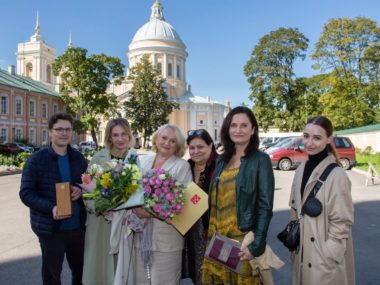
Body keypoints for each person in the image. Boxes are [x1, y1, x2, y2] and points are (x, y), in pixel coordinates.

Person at [201, 106, 275, 285]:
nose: (238, 130)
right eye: (233, 125)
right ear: (227, 129)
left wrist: (256, 246)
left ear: (253, 129)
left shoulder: (260, 160)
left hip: (242, 244)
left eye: (244, 125)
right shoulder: (221, 160)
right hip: (217, 242)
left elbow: (265, 206)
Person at [20, 112, 87, 285]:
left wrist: (80, 191)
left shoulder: (78, 158)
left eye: (68, 129)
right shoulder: (36, 160)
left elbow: (86, 185)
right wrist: (51, 207)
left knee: (81, 274)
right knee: (52, 277)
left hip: (77, 228)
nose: (64, 133)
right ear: (50, 131)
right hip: (51, 229)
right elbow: (26, 193)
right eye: (59, 129)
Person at [288, 116, 354, 285]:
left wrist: (329, 255)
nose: (309, 143)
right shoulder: (300, 169)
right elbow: (295, 210)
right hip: (302, 252)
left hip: (323, 260)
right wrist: (294, 245)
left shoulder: (337, 175)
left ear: (328, 139)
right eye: (306, 136)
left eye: (317, 138)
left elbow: (342, 223)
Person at [132, 124, 192, 285]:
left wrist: (148, 212)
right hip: (140, 236)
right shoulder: (143, 160)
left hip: (167, 241)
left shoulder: (182, 166)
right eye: (164, 138)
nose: (167, 143)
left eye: (173, 141)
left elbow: (182, 204)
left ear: (178, 146)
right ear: (156, 139)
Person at [82, 118, 139, 285]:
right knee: (101, 268)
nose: (120, 139)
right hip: (101, 222)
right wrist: (100, 208)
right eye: (115, 135)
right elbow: (87, 189)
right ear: (109, 137)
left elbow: (140, 190)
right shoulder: (99, 158)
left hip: (125, 223)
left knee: (123, 268)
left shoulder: (134, 158)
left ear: (129, 135)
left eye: (123, 134)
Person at [182, 128, 217, 284]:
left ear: (210, 145)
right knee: (197, 272)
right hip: (191, 230)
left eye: (201, 147)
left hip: (214, 230)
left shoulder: (220, 167)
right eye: (192, 148)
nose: (196, 151)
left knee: (216, 273)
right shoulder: (186, 167)